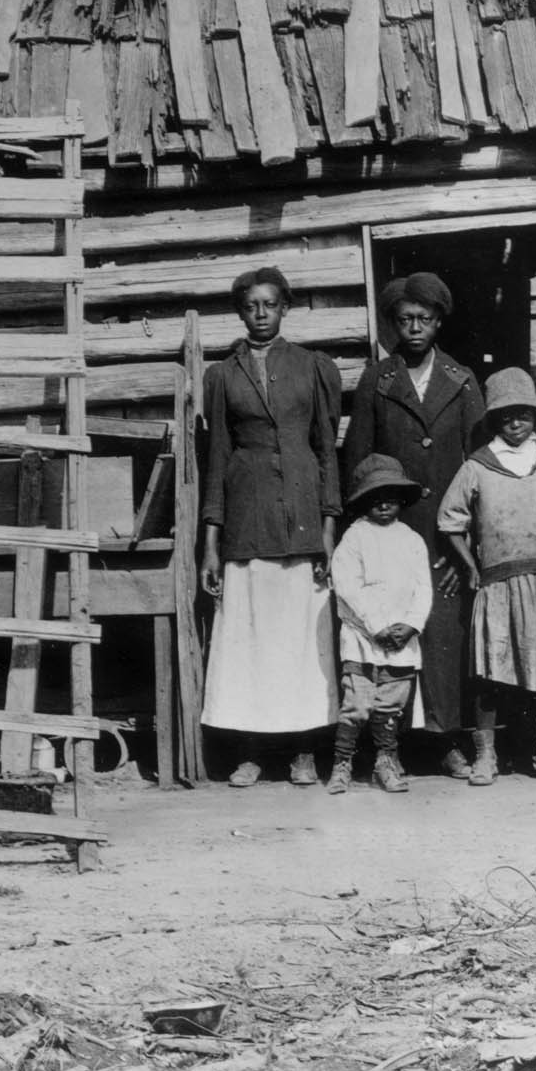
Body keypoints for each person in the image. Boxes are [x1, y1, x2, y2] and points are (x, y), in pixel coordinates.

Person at [198, 266, 345, 788]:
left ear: (285, 308)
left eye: (270, 304)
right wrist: (211, 544)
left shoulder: (313, 367)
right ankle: (251, 752)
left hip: (303, 516)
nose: (260, 314)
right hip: (248, 516)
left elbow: (327, 450)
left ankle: (305, 752)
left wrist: (329, 527)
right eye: (251, 305)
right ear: (239, 311)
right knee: (250, 640)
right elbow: (215, 459)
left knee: (304, 643)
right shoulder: (221, 375)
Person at [342, 271, 486, 776]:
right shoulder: (378, 380)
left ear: (440, 321)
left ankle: (446, 741)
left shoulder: (462, 380)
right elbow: (357, 458)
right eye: (405, 320)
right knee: (389, 634)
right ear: (392, 325)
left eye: (424, 319)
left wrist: (464, 547)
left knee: (443, 636)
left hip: (445, 536)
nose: (415, 328)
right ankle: (390, 748)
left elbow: (479, 466)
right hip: (391, 532)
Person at [437, 370, 536, 785]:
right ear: (494, 420)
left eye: (524, 414)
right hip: (496, 585)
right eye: (506, 416)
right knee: (490, 674)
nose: (516, 423)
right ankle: (486, 756)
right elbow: (450, 521)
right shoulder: (478, 466)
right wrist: (470, 567)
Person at [328, 455, 434, 794]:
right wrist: (376, 626)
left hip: (401, 640)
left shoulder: (412, 540)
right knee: (357, 703)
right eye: (375, 497)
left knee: (390, 704)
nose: (384, 504)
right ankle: (342, 762)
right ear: (363, 502)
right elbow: (347, 587)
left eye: (390, 496)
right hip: (364, 637)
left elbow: (422, 588)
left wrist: (411, 624)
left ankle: (385, 762)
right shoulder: (355, 538)